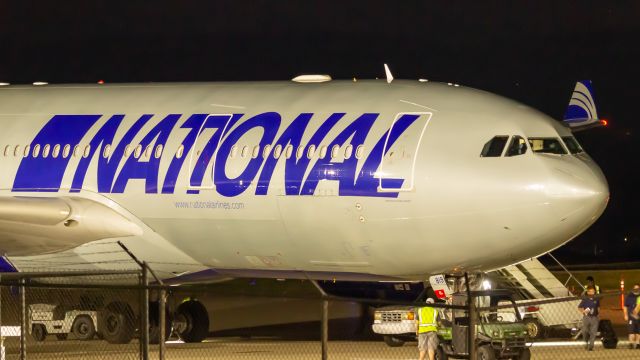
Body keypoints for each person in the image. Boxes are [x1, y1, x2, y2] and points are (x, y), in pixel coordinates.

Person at [578, 286, 600, 351]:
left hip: (594, 317)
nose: (592, 293)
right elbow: (579, 307)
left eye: (593, 291)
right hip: (586, 317)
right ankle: (585, 342)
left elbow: (598, 307)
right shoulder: (585, 299)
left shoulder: (596, 299)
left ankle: (591, 346)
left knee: (593, 332)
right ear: (587, 292)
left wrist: (599, 315)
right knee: (585, 331)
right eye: (590, 291)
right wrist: (583, 312)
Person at [624, 284, 640, 349]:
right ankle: (631, 343)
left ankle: (638, 343)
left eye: (638, 288)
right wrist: (625, 315)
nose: (636, 289)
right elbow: (625, 306)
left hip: (639, 317)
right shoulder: (629, 296)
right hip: (631, 317)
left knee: (638, 331)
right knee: (631, 331)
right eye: (635, 288)